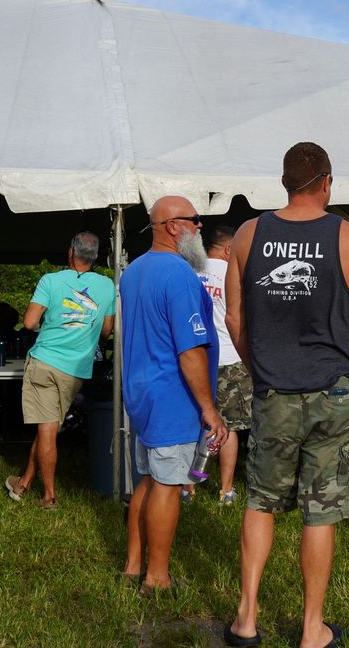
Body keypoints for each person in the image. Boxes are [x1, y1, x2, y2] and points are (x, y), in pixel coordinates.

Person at [224, 142, 349, 648]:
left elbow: (236, 318)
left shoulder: (248, 234)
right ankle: (310, 629)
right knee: (319, 510)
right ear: (326, 182)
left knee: (260, 501)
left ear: (283, 183)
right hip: (331, 393)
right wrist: (348, 316)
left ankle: (247, 619)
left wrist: (259, 366)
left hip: (272, 388)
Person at [120, 197, 227, 594]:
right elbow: (190, 349)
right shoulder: (181, 275)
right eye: (195, 221)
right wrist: (209, 410)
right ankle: (157, 577)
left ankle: (133, 565)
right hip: (172, 394)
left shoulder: (133, 272)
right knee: (167, 485)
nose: (201, 228)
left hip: (141, 391)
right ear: (172, 226)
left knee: (147, 480)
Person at [5, 232, 116, 509]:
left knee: (46, 428)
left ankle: (50, 495)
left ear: (70, 253)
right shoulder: (106, 285)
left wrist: (53, 325)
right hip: (77, 368)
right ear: (96, 257)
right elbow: (107, 330)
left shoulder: (50, 281)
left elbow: (29, 323)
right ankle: (24, 483)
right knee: (49, 428)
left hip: (44, 361)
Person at [198, 224, 251, 505]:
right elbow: (240, 319)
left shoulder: (188, 272)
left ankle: (187, 486)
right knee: (227, 427)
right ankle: (225, 489)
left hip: (194, 359)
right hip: (229, 359)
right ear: (229, 249)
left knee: (195, 423)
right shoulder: (233, 276)